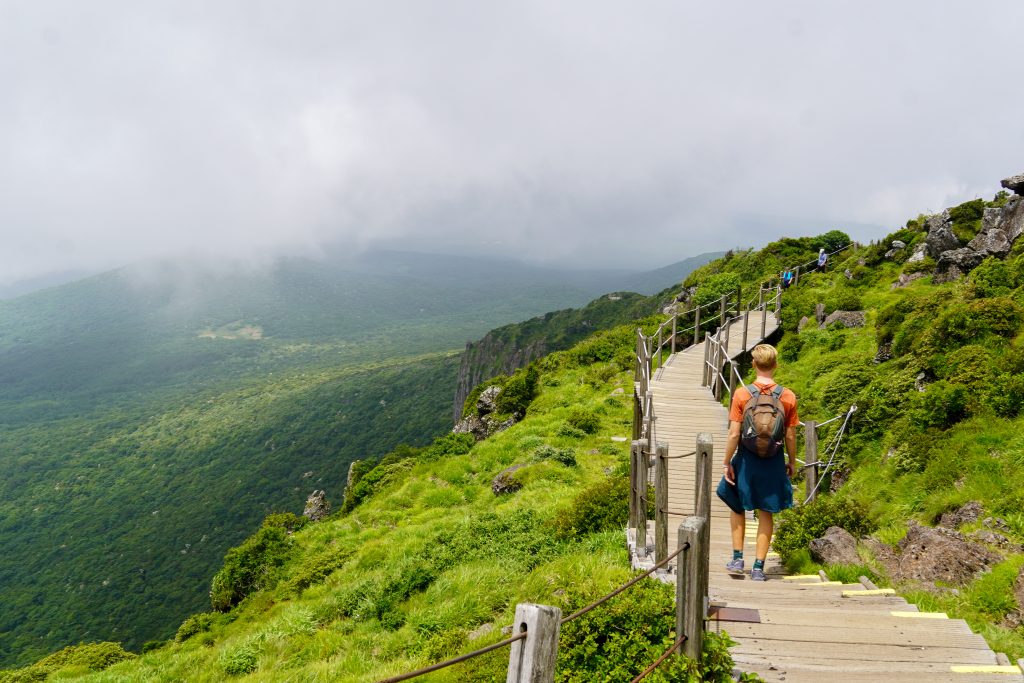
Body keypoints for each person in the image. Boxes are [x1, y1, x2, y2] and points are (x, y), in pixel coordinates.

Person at [715, 344, 799, 581]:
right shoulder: (788, 396)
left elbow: (734, 434)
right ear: (775, 365)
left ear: (754, 364)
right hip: (773, 459)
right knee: (766, 510)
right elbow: (790, 435)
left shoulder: (742, 394)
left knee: (736, 504)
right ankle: (759, 567)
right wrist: (791, 462)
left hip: (746, 458)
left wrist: (726, 462)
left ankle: (738, 557)